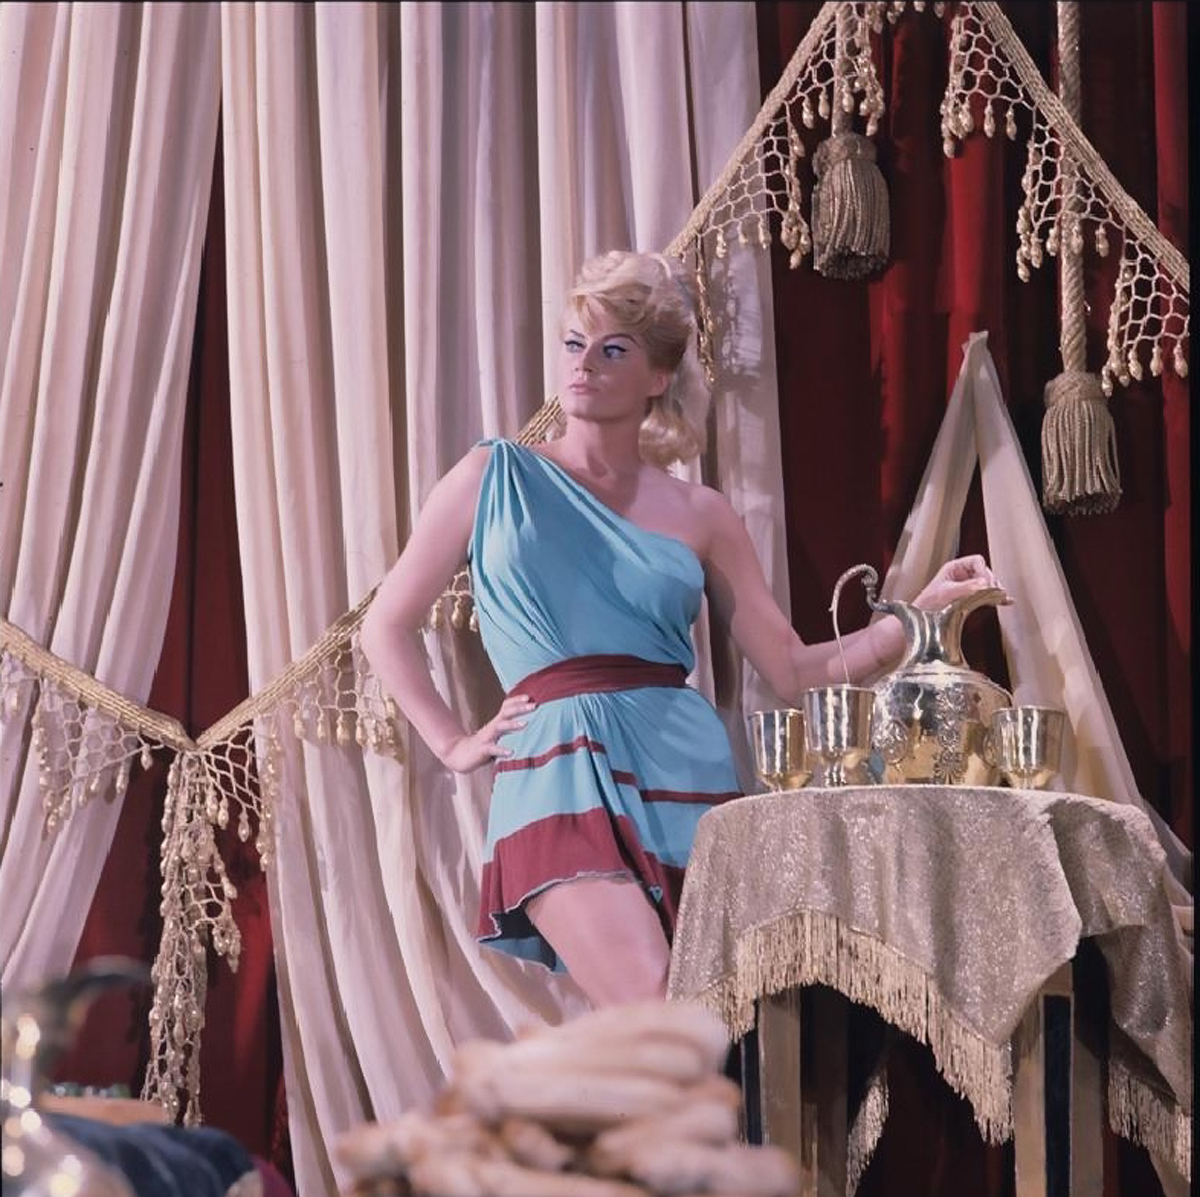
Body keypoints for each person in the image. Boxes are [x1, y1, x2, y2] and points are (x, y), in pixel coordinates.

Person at [360, 248, 1002, 1009]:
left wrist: (920, 614)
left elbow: (794, 669)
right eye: (574, 343)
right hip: (554, 764)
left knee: (716, 1023)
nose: (584, 365)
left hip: (684, 768)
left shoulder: (702, 513)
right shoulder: (493, 478)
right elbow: (384, 626)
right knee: (658, 1001)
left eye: (613, 350)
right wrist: (452, 743)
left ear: (658, 376)